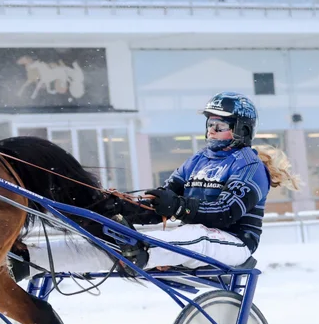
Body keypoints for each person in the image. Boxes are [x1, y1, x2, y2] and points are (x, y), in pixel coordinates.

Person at [126, 92, 300, 269]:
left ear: (242, 130)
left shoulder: (250, 166)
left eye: (219, 126)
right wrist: (123, 208)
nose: (211, 130)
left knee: (195, 234)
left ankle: (144, 251)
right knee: (188, 233)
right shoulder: (197, 160)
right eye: (210, 124)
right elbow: (163, 202)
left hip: (235, 242)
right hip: (195, 239)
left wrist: (179, 206)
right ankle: (113, 253)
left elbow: (225, 212)